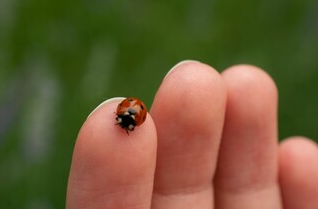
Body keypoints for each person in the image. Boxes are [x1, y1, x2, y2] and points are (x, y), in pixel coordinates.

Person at [66, 60, 318, 209]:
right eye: (125, 122)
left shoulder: (130, 115)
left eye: (124, 122)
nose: (123, 123)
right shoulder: (131, 115)